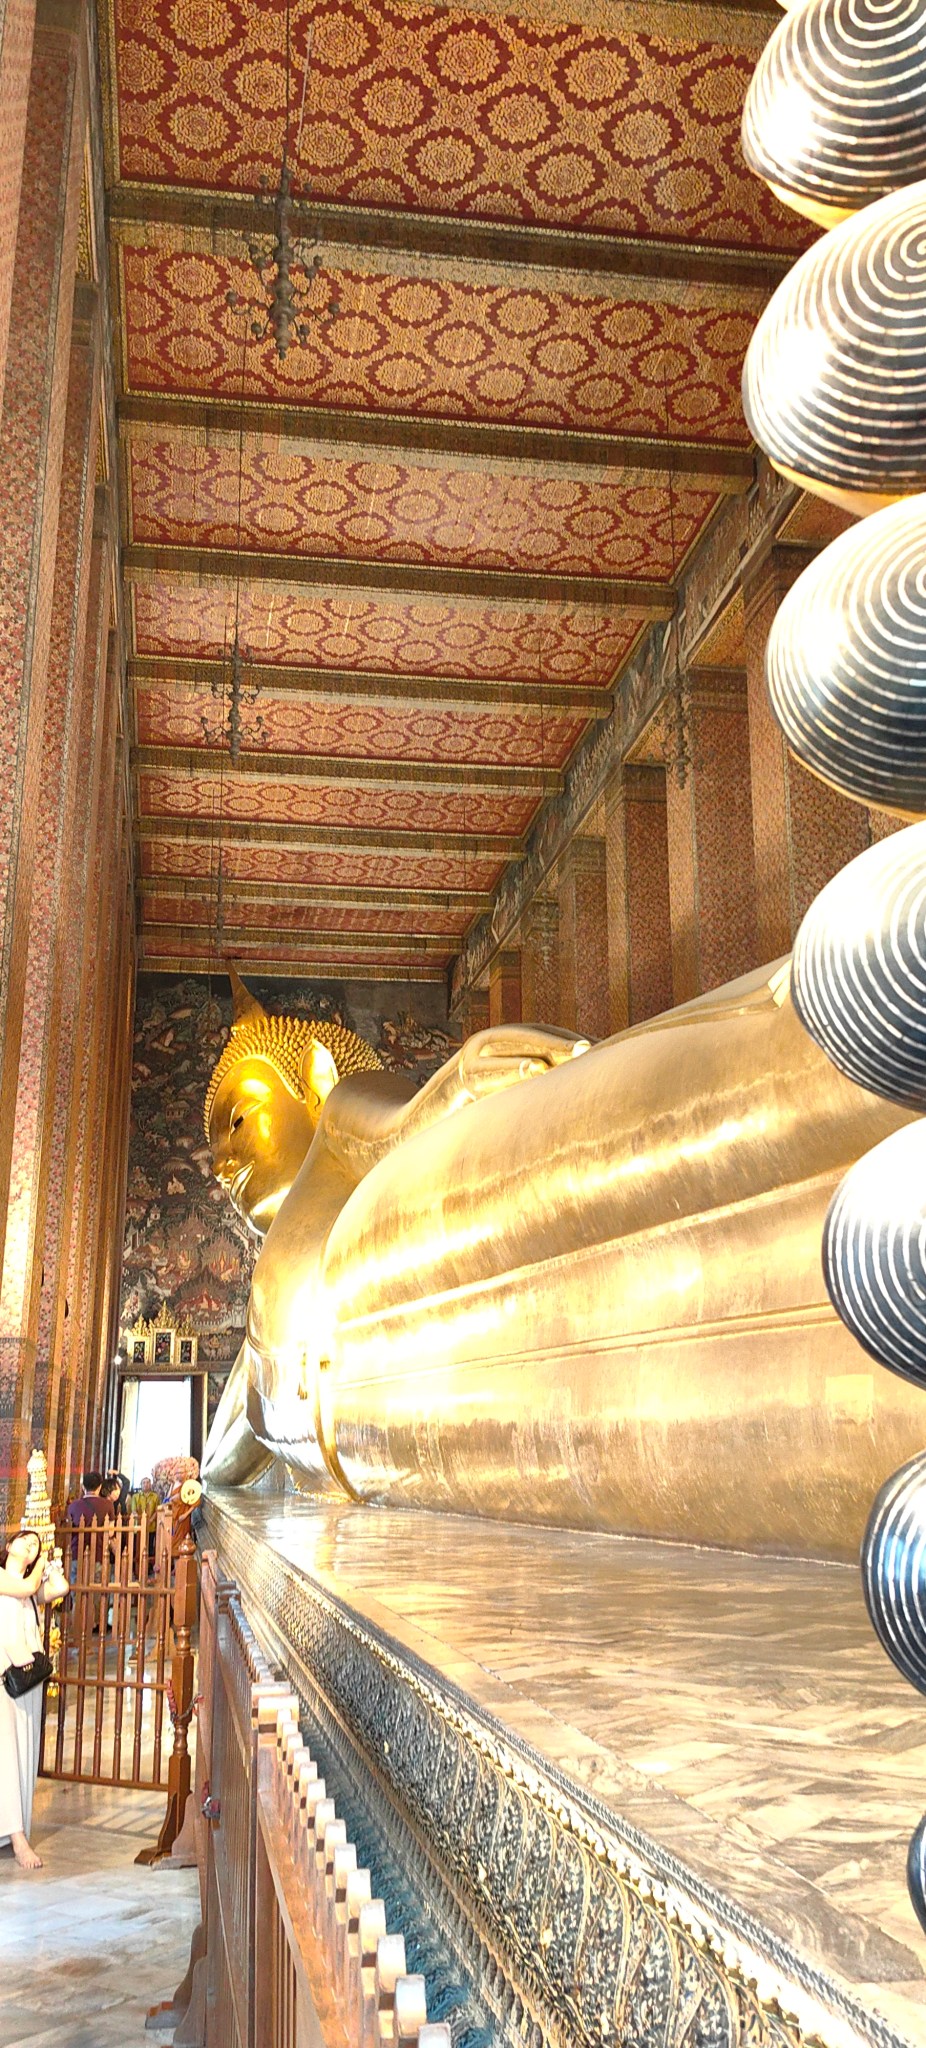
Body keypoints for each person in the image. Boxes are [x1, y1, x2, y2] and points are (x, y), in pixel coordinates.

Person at [0, 1531, 59, 1870]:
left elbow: (60, 1589)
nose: (30, 1546)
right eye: (25, 1540)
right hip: (4, 1676)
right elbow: (25, 1587)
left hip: (27, 1679)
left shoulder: (30, 1591)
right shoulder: (8, 1580)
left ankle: (14, 1828)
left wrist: (52, 1567)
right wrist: (40, 1563)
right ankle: (18, 1838)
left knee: (23, 1753)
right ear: (9, 1545)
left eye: (35, 1545)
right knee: (7, 1756)